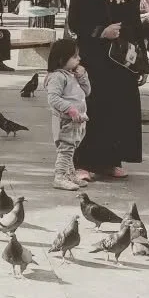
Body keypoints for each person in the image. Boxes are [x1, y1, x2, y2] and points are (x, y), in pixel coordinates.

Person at [67, 0, 149, 180]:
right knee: (93, 108)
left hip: (123, 62)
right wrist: (101, 31)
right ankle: (83, 163)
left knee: (119, 110)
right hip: (95, 59)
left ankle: (110, 161)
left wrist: (142, 64)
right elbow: (75, 23)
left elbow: (136, 27)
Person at [45, 38, 91, 191]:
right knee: (66, 149)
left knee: (71, 148)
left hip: (77, 120)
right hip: (66, 120)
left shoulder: (70, 75)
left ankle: (69, 173)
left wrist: (82, 76)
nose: (79, 58)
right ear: (62, 59)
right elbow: (53, 98)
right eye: (74, 56)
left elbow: (87, 91)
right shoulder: (58, 77)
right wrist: (69, 109)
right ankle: (60, 176)